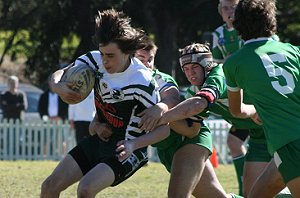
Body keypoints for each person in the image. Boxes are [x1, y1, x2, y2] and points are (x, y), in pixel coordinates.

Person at [40, 9, 169, 198]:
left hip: (128, 149)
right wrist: (57, 87)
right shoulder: (94, 60)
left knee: (85, 189)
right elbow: (60, 73)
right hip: (100, 140)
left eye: (110, 56)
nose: (104, 61)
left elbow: (164, 129)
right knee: (49, 186)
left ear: (127, 53)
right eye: (102, 54)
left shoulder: (142, 81)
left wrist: (134, 144)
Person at [120, 42, 242, 198]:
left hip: (188, 140)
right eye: (141, 59)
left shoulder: (161, 80)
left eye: (150, 59)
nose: (147, 64)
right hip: (167, 148)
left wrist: (159, 114)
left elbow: (191, 128)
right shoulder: (193, 89)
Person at [223, 0, 300, 197]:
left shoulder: (234, 63)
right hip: (287, 147)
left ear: (237, 24)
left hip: (290, 144)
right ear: (271, 21)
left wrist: (254, 110)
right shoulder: (294, 51)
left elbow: (236, 110)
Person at [212, 0, 246, 194]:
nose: (229, 11)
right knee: (234, 143)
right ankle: (244, 191)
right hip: (237, 94)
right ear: (220, 12)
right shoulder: (218, 34)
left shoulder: (249, 29)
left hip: (255, 95)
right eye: (225, 8)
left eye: (233, 7)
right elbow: (217, 64)